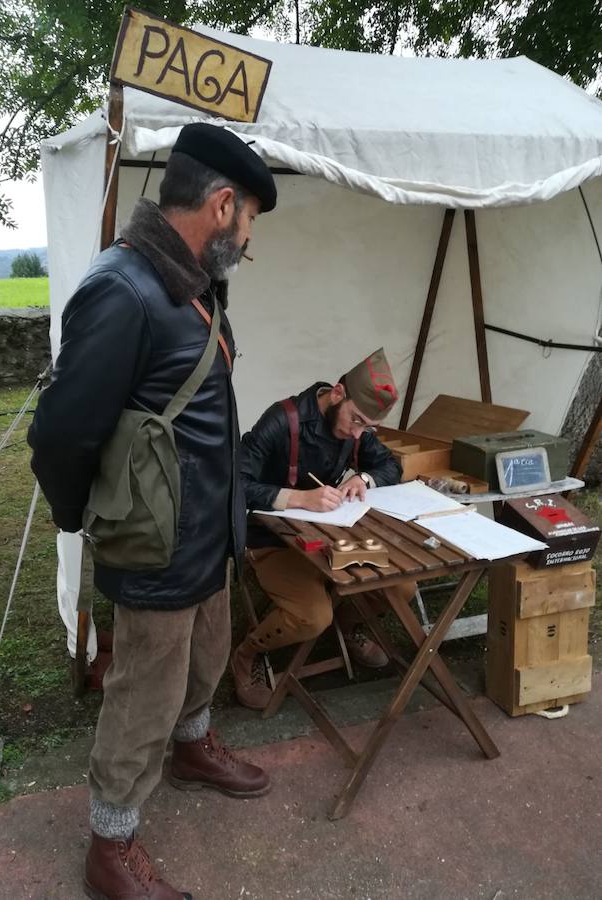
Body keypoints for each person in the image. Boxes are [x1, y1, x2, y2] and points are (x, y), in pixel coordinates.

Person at [28, 123, 277, 900]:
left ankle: (195, 749)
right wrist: (83, 520)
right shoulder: (123, 288)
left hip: (206, 532)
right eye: (248, 224)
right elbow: (61, 433)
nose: (249, 243)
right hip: (157, 543)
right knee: (143, 695)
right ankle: (110, 846)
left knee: (204, 659)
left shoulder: (190, 286)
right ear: (222, 203)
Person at [233, 349, 417, 710]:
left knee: (402, 586)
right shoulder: (282, 420)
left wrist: (364, 478)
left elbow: (390, 467)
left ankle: (349, 625)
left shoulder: (358, 430)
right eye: (356, 420)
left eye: (367, 427)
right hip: (272, 539)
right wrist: (300, 499)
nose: (357, 432)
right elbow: (234, 483)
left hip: (331, 535)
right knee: (313, 615)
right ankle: (245, 653)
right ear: (337, 393)